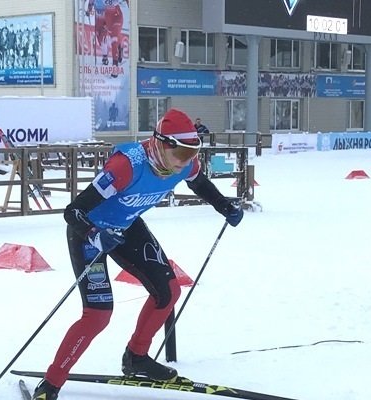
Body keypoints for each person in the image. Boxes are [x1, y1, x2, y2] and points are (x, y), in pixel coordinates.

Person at [32, 108, 243, 400]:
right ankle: (51, 384)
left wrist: (223, 205)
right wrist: (94, 234)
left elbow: (198, 182)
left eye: (193, 153)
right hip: (89, 233)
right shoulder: (127, 165)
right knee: (97, 316)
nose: (187, 161)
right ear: (161, 143)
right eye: (182, 153)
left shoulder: (183, 163)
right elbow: (74, 211)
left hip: (128, 227)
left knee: (168, 292)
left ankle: (136, 357)